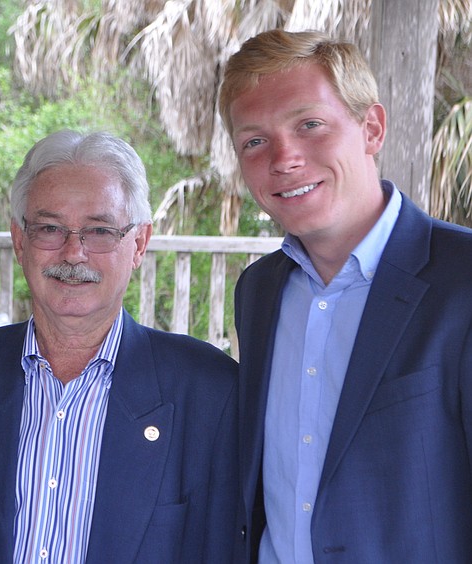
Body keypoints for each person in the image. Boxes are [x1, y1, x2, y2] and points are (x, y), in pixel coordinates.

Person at [0, 130, 239, 563]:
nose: (74, 253)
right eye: (49, 229)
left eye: (100, 231)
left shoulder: (209, 391)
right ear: (19, 241)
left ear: (138, 244)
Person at [218, 29, 472, 563]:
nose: (284, 158)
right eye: (254, 142)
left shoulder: (462, 279)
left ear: (371, 129)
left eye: (309, 125)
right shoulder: (258, 290)